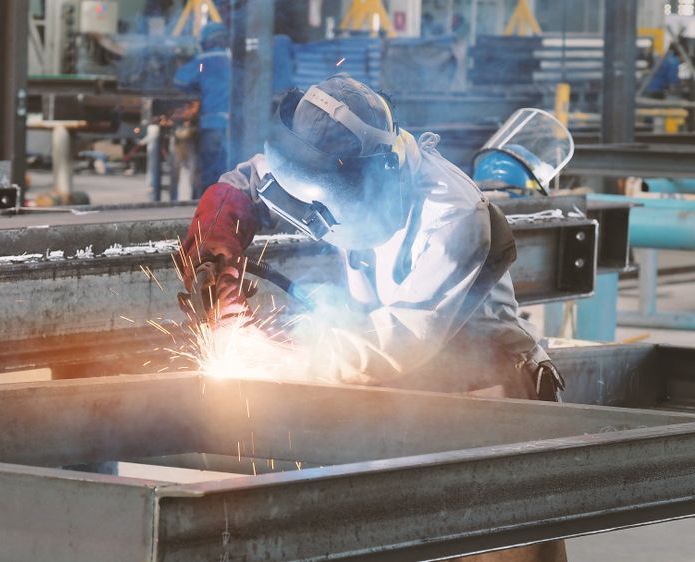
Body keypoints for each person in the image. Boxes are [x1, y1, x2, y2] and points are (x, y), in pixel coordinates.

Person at [177, 73, 566, 562]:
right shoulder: (319, 151)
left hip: (484, 389)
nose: (312, 212)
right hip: (393, 390)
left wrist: (281, 352)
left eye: (325, 203)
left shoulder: (453, 215)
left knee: (496, 546)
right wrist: (220, 231)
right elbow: (247, 182)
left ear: (369, 178)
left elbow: (399, 340)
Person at [173, 22, 230, 198]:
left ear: (206, 41)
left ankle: (207, 209)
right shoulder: (234, 60)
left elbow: (180, 81)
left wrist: (197, 88)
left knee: (210, 173)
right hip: (235, 126)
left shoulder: (203, 61)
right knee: (230, 171)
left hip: (212, 125)